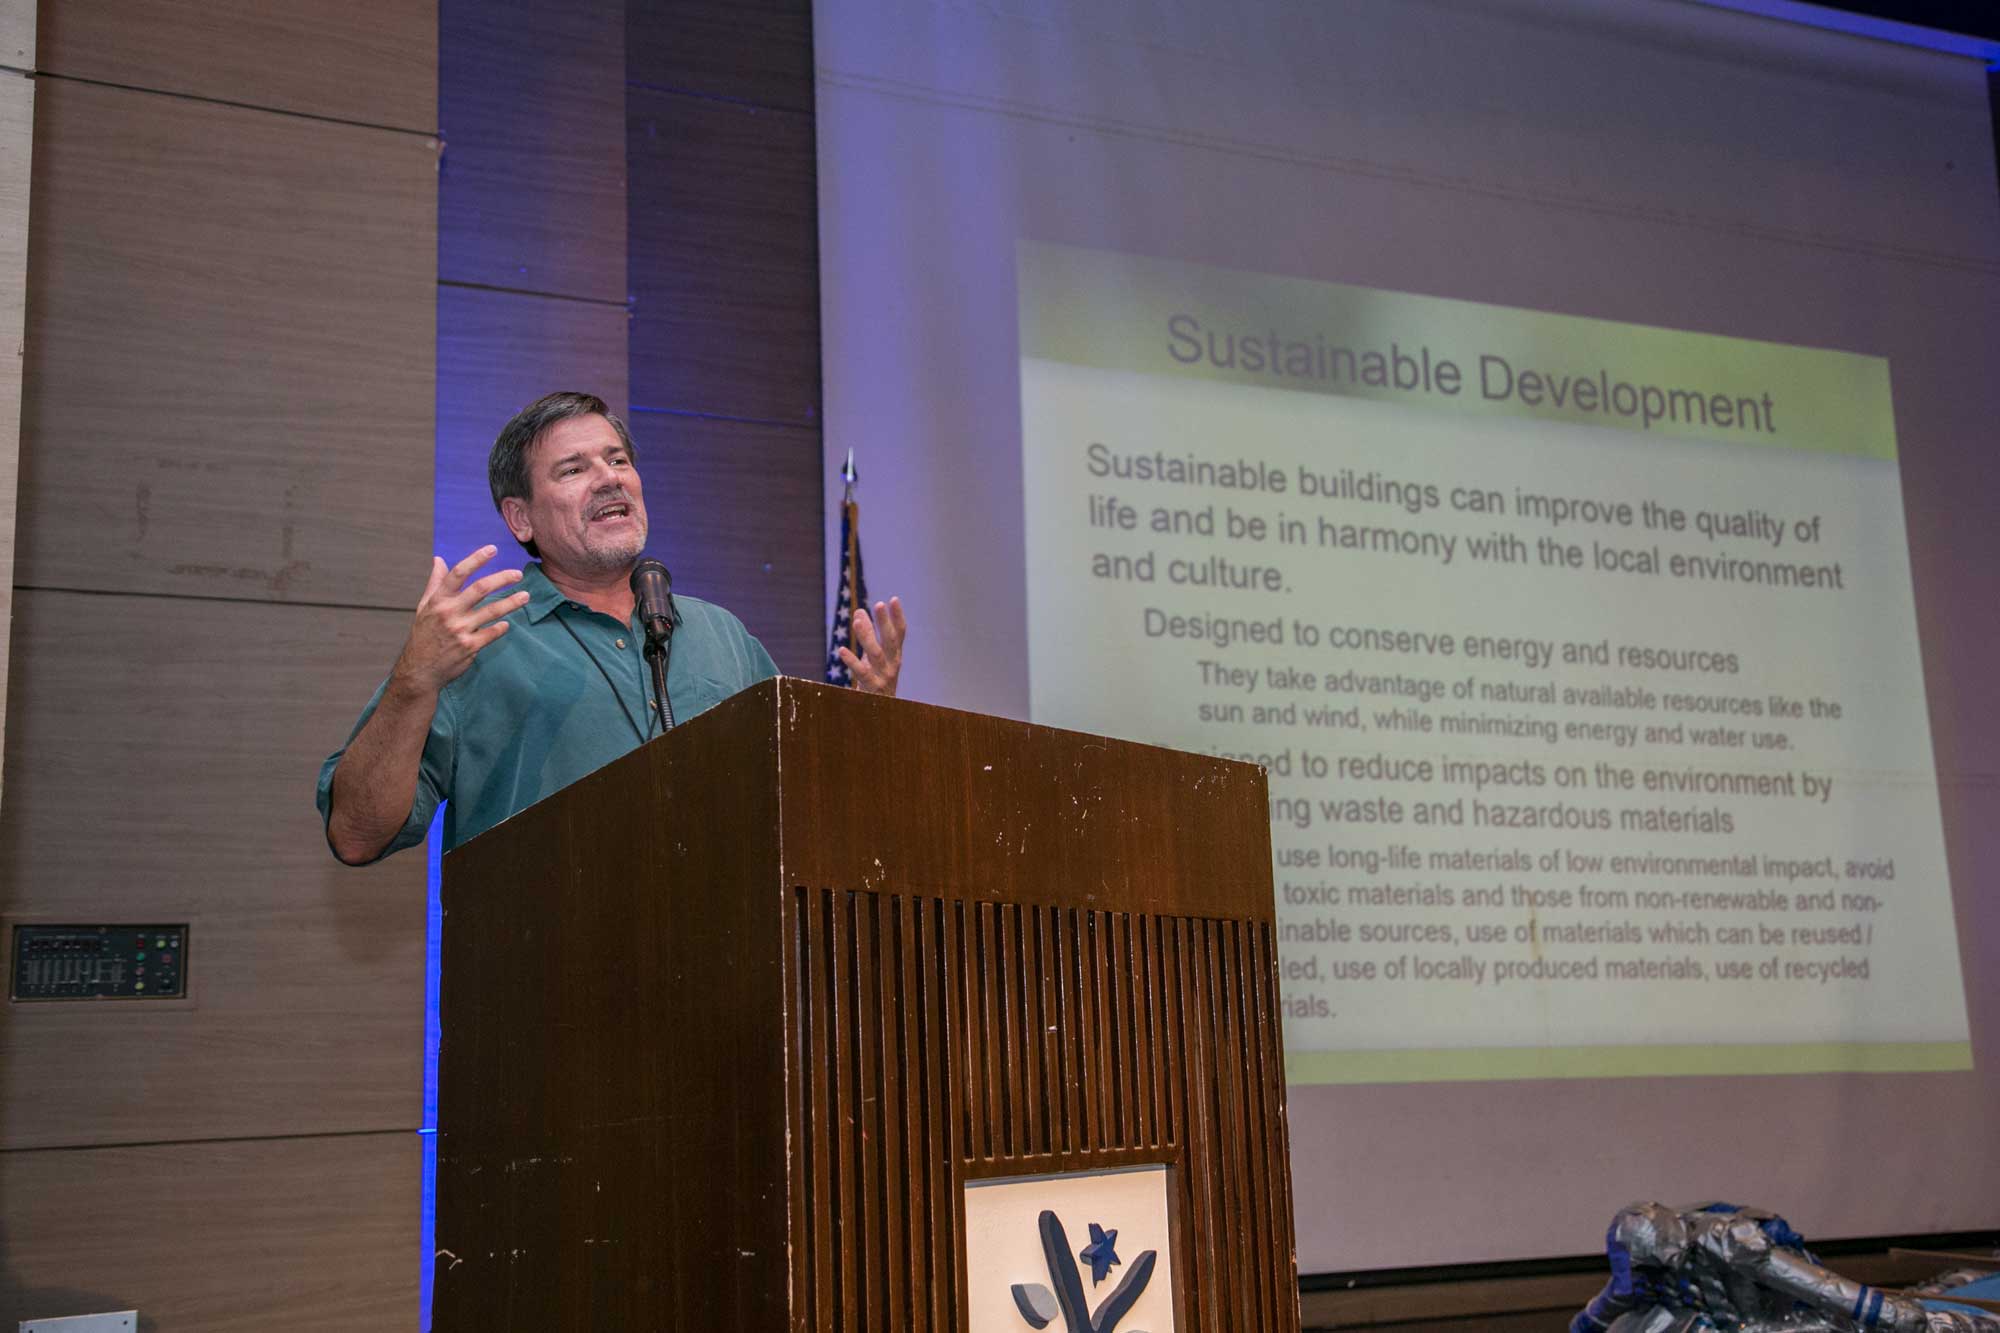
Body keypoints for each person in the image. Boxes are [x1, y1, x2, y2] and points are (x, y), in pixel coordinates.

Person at [317, 391, 906, 864]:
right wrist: (413, 683)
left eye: (618, 460)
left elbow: (808, 811)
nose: (609, 478)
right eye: (574, 469)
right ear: (520, 518)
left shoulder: (722, 634)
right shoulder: (475, 644)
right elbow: (358, 834)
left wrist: (864, 723)